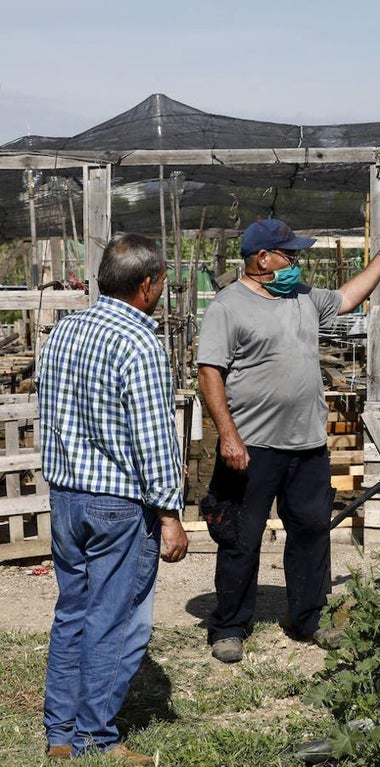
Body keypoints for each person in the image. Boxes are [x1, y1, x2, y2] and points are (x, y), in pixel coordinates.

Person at [198, 215, 380, 663]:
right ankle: (230, 626)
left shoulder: (302, 297)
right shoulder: (228, 306)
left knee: (311, 531)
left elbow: (348, 297)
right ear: (262, 259)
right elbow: (209, 373)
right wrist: (228, 436)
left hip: (307, 444)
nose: (296, 262)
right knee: (242, 536)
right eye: (289, 254)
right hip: (252, 445)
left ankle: (308, 617)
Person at [39, 233, 189, 764]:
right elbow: (153, 438)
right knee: (117, 619)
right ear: (146, 285)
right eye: (163, 283)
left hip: (66, 496)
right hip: (117, 503)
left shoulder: (64, 332)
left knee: (73, 612)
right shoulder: (139, 343)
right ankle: (93, 738)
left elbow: (50, 415)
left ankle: (60, 732)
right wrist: (170, 513)